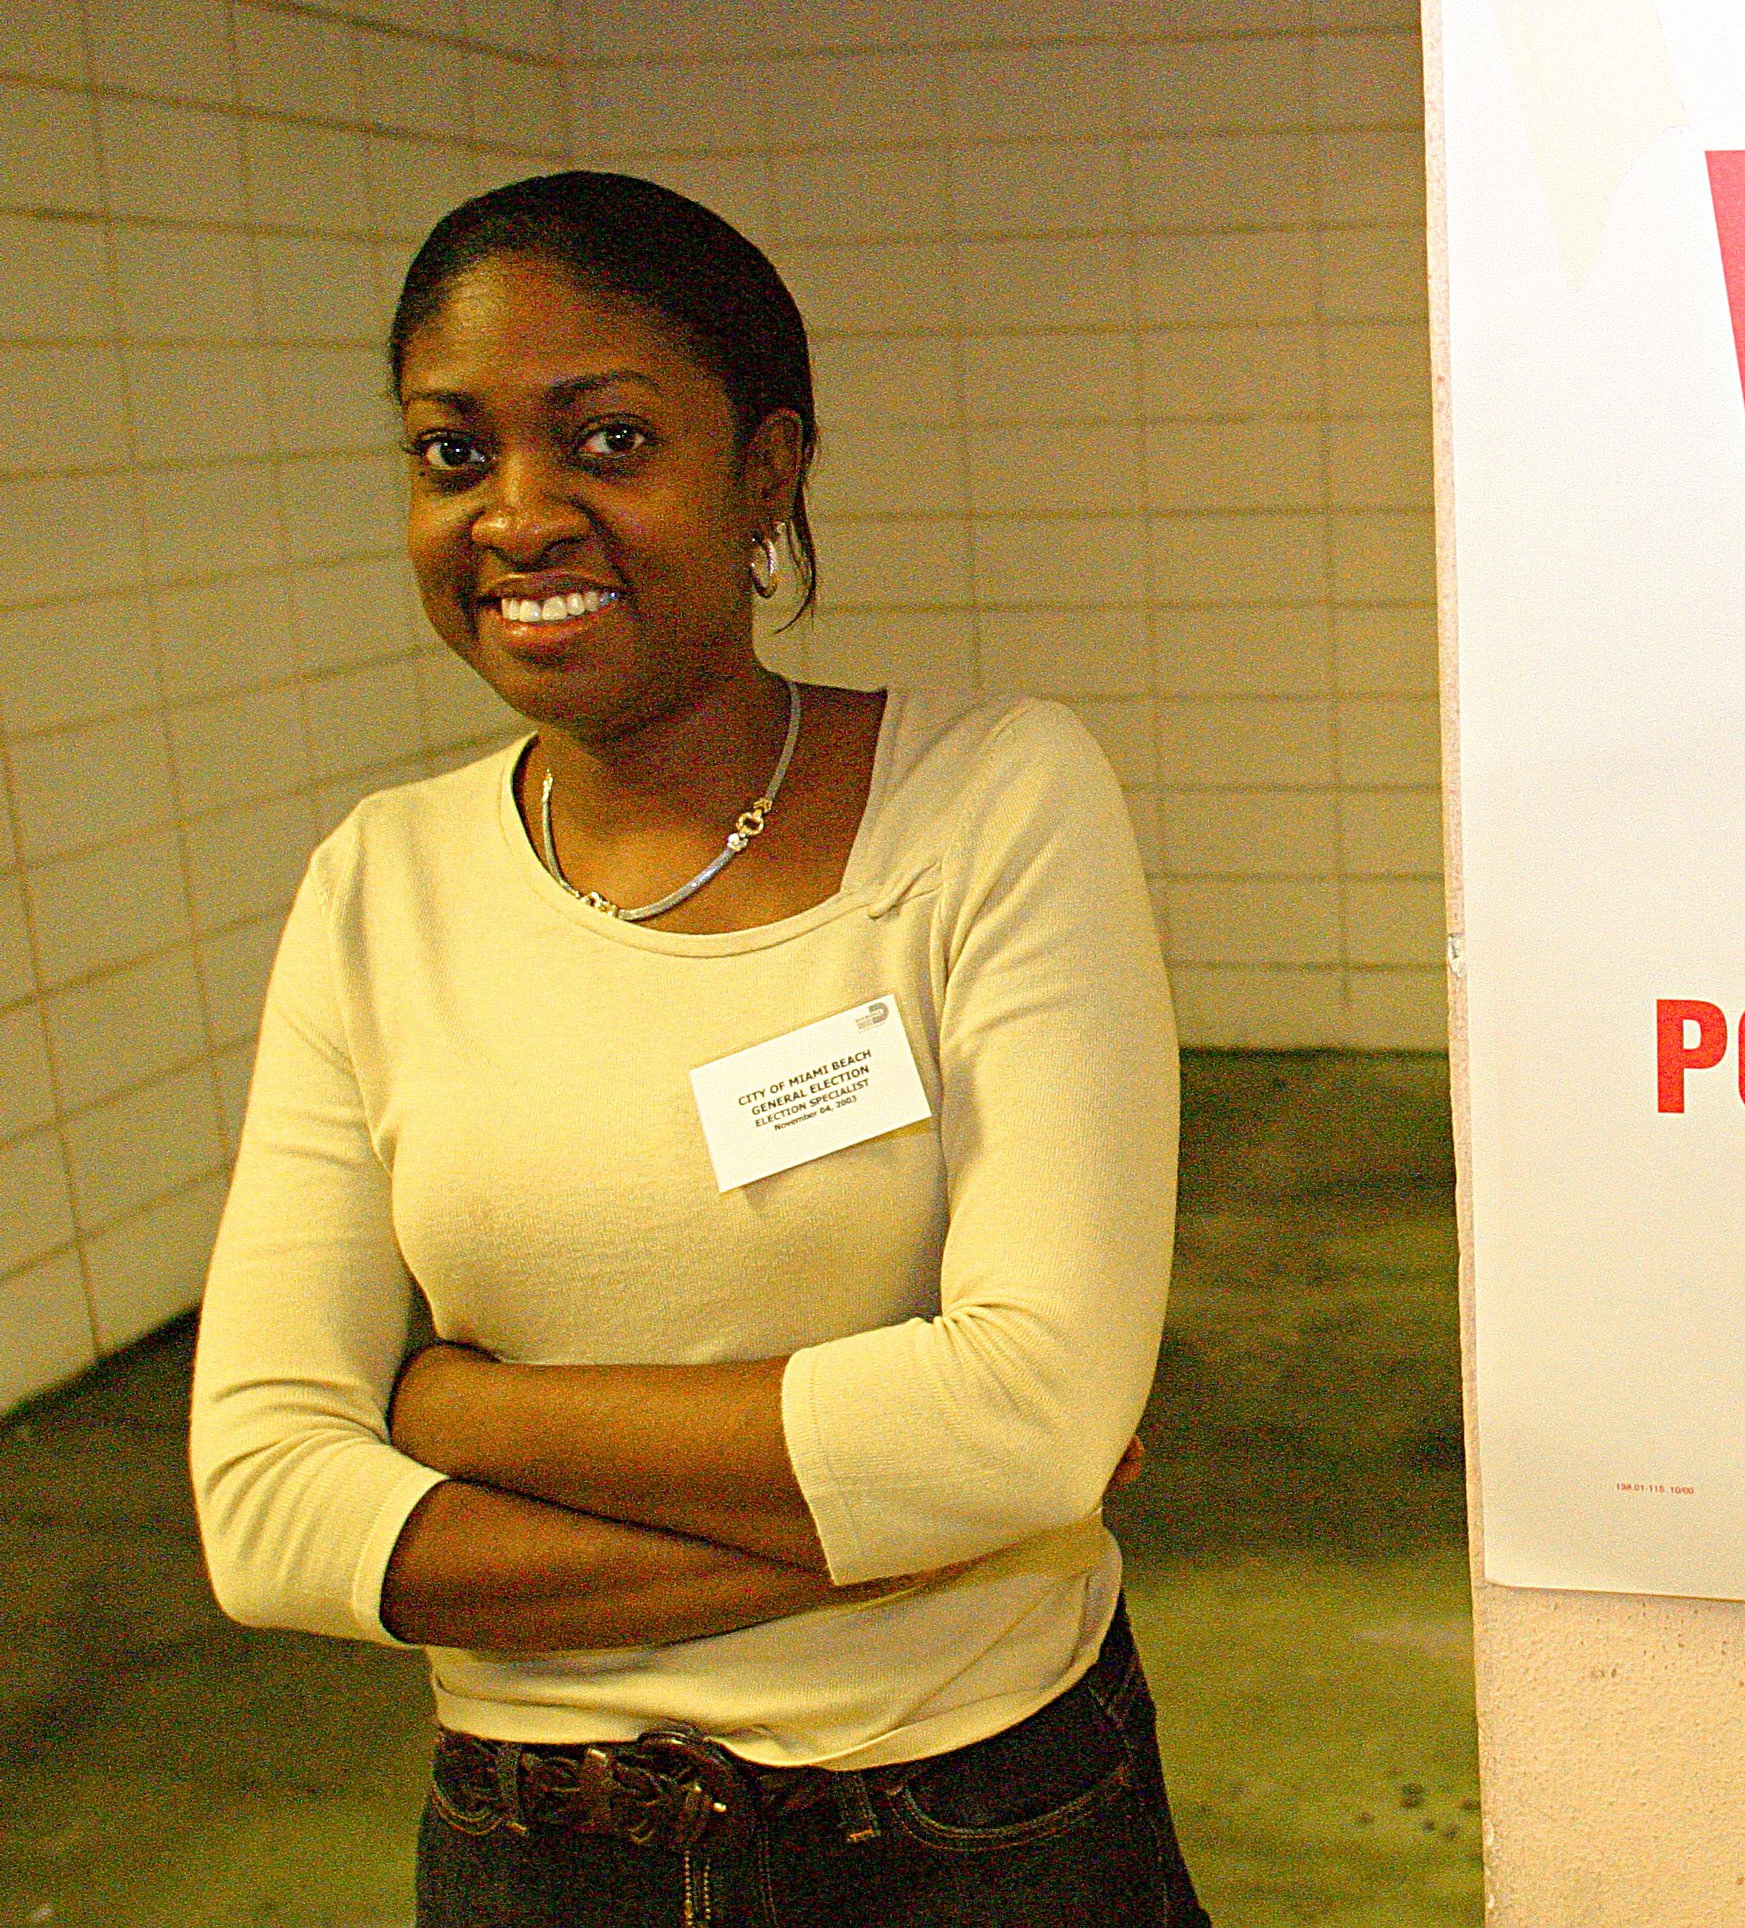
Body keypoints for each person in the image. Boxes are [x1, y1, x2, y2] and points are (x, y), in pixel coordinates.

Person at [185, 170, 1208, 1926]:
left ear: (767, 471)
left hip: (978, 1825)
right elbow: (271, 1511)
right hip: (535, 1852)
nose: (519, 516)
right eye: (454, 453)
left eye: (606, 442)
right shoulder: (380, 883)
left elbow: (1028, 1425)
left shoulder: (992, 800)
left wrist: (460, 1412)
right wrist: (905, 1512)